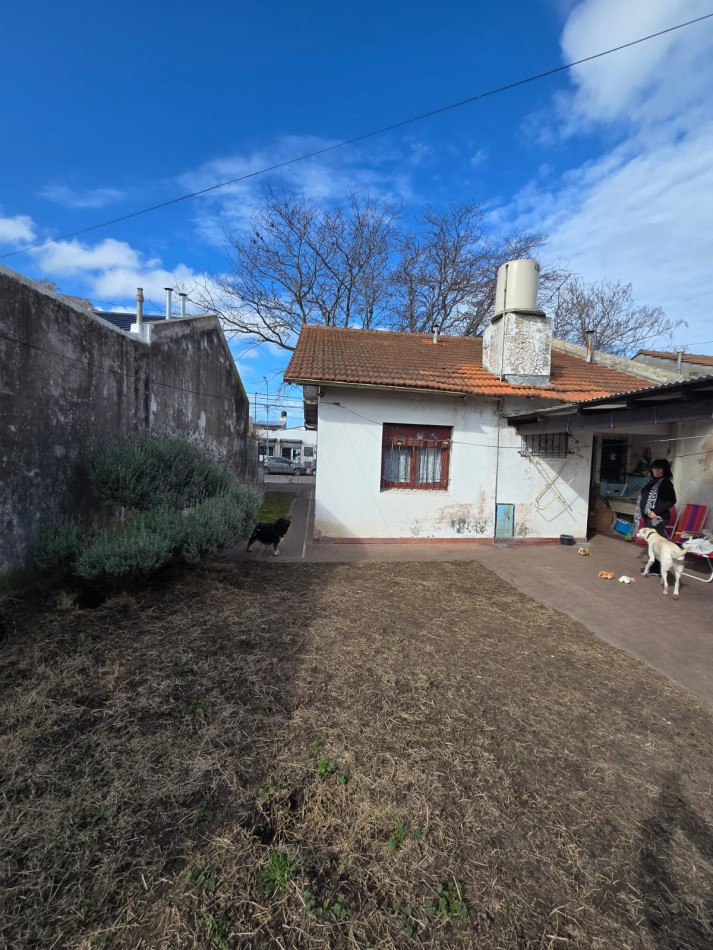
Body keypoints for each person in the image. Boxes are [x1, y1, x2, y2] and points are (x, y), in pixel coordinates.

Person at [634, 458, 676, 575]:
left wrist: (656, 512)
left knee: (657, 544)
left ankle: (657, 569)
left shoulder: (666, 482)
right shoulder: (651, 481)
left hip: (658, 519)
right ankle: (654, 567)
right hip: (649, 518)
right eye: (654, 468)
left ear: (665, 469)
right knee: (652, 544)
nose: (656, 470)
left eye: (659, 468)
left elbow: (671, 501)